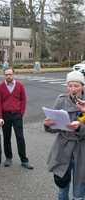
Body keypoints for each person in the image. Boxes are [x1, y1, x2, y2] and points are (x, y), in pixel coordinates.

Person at [44, 70, 85, 200]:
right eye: (70, 85)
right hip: (63, 149)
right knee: (62, 189)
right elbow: (54, 127)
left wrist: (80, 127)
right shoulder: (61, 100)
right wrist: (49, 124)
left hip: (82, 150)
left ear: (82, 86)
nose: (73, 89)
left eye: (76, 85)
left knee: (79, 192)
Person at [0, 68, 33, 169]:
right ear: (4, 75)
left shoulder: (20, 85)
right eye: (6, 74)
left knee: (20, 137)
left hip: (17, 115)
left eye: (10, 74)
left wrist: (21, 113)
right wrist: (0, 117)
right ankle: (8, 158)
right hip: (5, 116)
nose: (8, 76)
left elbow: (23, 100)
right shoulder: (0, 87)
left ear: (13, 74)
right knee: (6, 138)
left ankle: (24, 160)